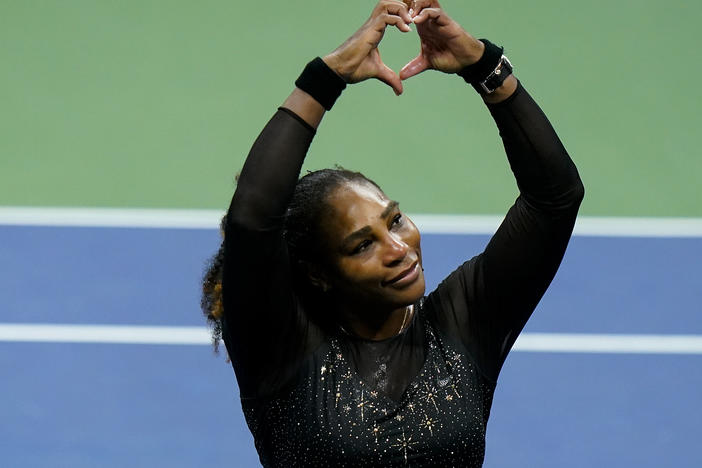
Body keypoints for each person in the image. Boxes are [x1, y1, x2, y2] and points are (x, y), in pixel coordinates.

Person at [201, 0, 584, 466]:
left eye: (395, 220)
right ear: (320, 274)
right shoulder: (281, 347)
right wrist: (326, 77)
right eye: (362, 245)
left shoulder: (462, 323)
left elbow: (555, 199)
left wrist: (484, 66)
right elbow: (251, 220)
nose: (399, 249)